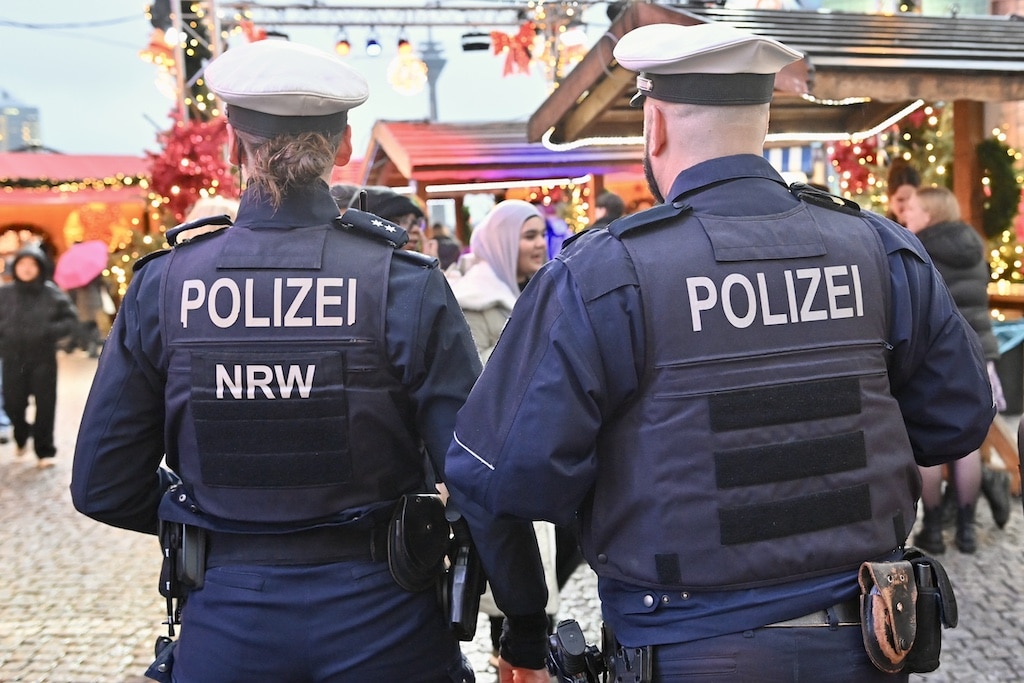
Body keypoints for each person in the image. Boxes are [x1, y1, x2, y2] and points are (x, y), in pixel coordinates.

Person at [445, 22, 994, 682]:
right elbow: (958, 418)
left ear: (656, 127)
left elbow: (500, 475)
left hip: (686, 647)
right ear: (761, 120)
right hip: (866, 641)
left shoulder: (604, 274)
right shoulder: (880, 248)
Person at [70, 39, 550, 683]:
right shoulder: (402, 282)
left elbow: (103, 484)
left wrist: (210, 517)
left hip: (226, 626)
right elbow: (476, 473)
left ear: (234, 146)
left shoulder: (165, 285)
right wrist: (523, 625)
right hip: (389, 624)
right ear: (344, 147)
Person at [444, 199, 556, 668]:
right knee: (507, 568)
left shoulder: (540, 291)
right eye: (527, 236)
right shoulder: (475, 302)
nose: (536, 245)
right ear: (502, 241)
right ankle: (512, 652)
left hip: (535, 452)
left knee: (533, 569)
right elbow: (477, 389)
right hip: (495, 462)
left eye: (539, 235)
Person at [902, 186, 1011, 549]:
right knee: (969, 443)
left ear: (930, 214)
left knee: (929, 438)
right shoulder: (973, 245)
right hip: (981, 350)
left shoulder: (919, 249)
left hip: (940, 355)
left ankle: (932, 530)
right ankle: (966, 531)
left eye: (914, 208)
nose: (907, 214)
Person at [0, 243, 79, 468]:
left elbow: (70, 320)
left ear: (40, 267)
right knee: (12, 404)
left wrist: (50, 332)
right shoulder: (4, 293)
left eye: (31, 264)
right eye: (22, 264)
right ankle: (22, 433)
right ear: (15, 267)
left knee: (45, 405)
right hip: (12, 358)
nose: (26, 269)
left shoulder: (51, 292)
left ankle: (44, 451)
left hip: (43, 358)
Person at [886, 159, 921, 226]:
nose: (907, 204)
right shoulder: (883, 230)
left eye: (911, 198)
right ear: (890, 200)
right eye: (900, 200)